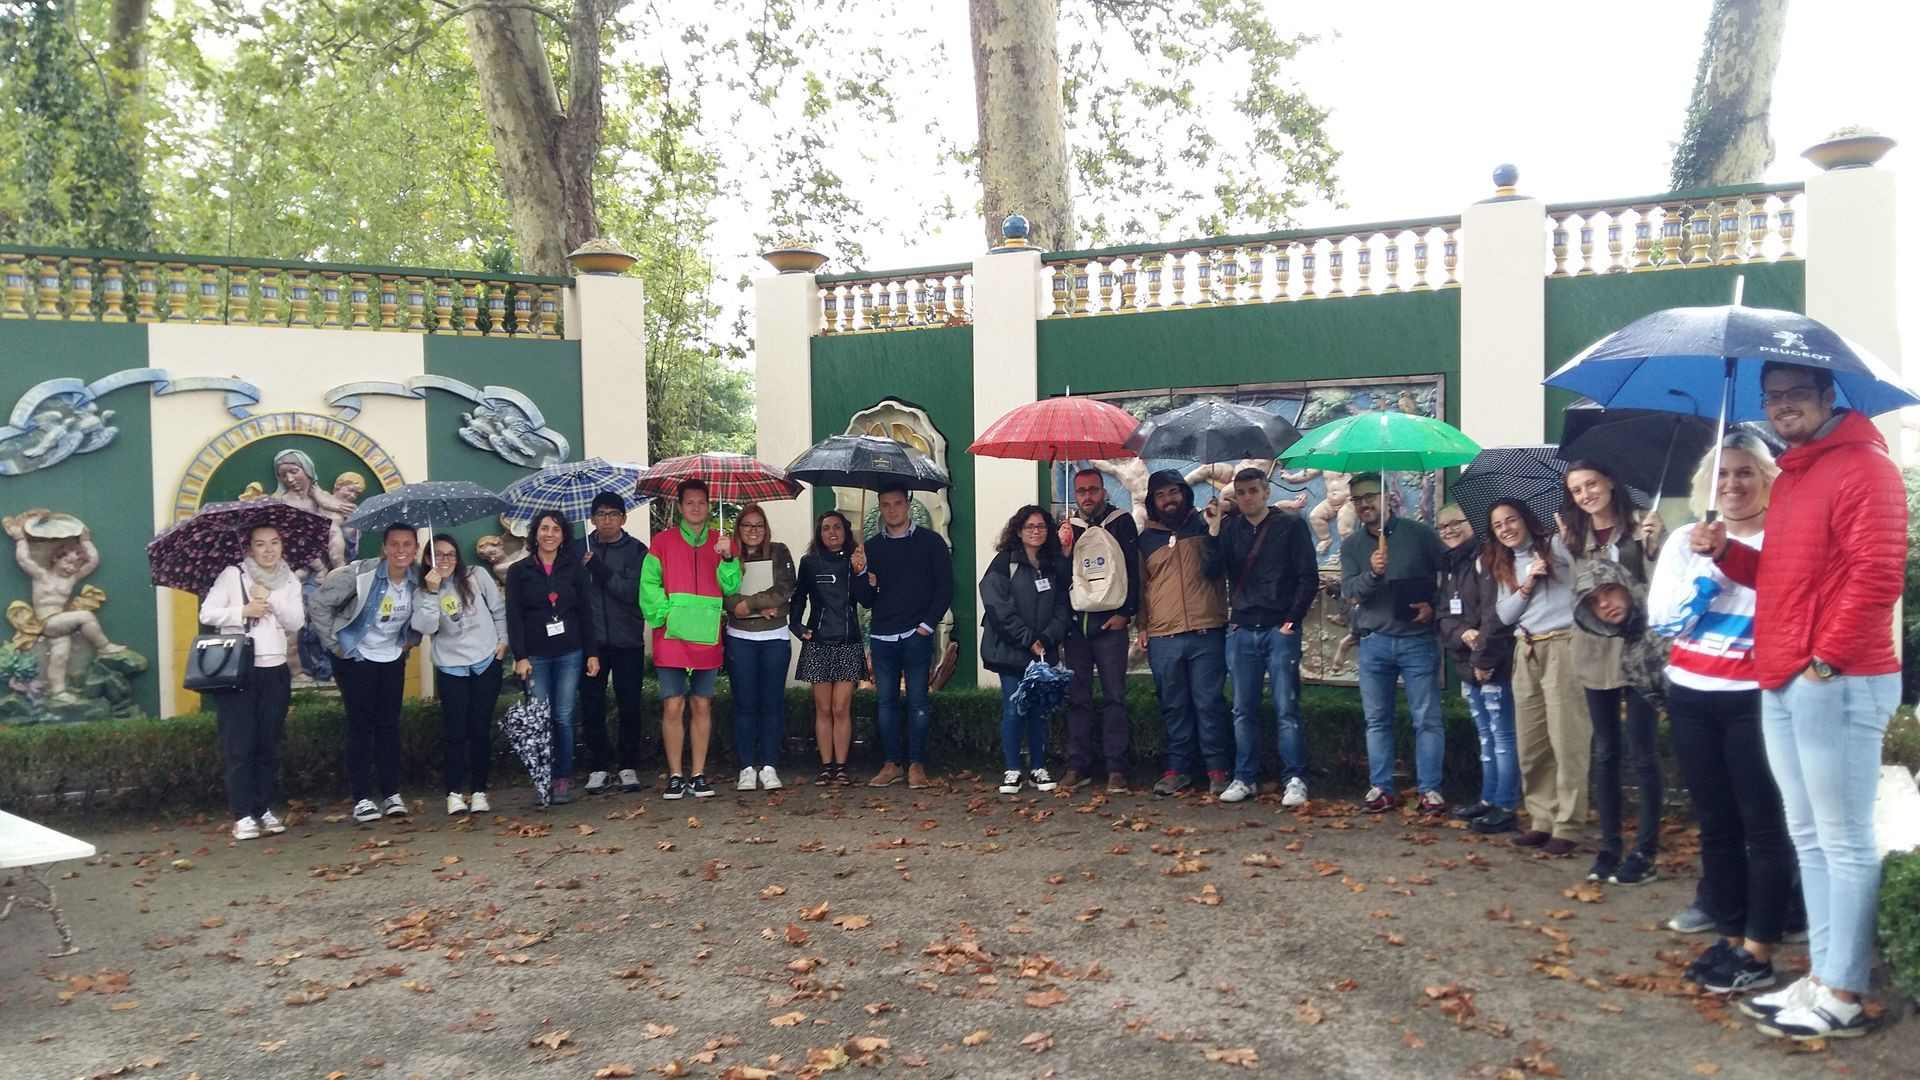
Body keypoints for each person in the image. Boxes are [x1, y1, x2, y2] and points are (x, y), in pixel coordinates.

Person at [1692, 362, 1905, 1040]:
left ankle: (1842, 991)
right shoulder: (1795, 475)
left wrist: (1825, 660)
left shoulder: (1865, 467)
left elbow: (1878, 574)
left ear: (1826, 396)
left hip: (1835, 679)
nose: (1783, 407)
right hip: (1784, 676)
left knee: (1843, 841)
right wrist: (1728, 554)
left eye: (1796, 395)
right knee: (1808, 836)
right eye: (1773, 397)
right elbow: (1781, 576)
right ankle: (1820, 974)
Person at [1641, 432, 1795, 997]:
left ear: (1766, 479)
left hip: (1755, 698)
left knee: (1764, 823)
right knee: (1717, 823)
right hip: (1691, 695)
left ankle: (1760, 948)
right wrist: (1703, 572)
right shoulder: (1685, 539)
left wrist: (1726, 559)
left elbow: (1786, 605)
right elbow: (1664, 622)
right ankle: (1730, 936)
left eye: (1745, 473)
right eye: (1722, 473)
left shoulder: (1784, 535)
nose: (1732, 484)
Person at [1560, 459, 1665, 886]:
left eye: (1592, 484)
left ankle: (1646, 850)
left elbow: (1665, 586)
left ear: (1610, 483)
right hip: (1593, 650)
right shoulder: (1572, 536)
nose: (1586, 495)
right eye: (1577, 490)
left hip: (1638, 651)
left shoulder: (1643, 525)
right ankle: (1609, 848)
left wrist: (1656, 548)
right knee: (1604, 751)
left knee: (1642, 752)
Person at [1201, 467, 1318, 805]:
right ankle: (1245, 777)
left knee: (1286, 706)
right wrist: (1213, 530)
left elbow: (1306, 577)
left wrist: (1291, 621)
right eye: (1241, 493)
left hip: (1278, 627)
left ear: (1266, 492)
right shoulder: (1232, 529)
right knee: (1243, 708)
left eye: (1253, 491)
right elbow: (1211, 571)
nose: (1247, 497)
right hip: (1241, 628)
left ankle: (1295, 777)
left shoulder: (1290, 525)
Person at [1340, 473, 1448, 814]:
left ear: (1388, 497)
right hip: (1374, 643)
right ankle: (1382, 787)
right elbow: (1351, 593)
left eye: (1370, 496)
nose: (1363, 504)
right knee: (1377, 720)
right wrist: (1372, 573)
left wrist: (1435, 606)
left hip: (1417, 642)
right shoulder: (1352, 546)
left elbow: (1452, 574)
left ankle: (1430, 790)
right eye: (1356, 499)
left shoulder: (1421, 535)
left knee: (1427, 719)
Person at [1487, 499, 1585, 856]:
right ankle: (1542, 819)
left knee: (1566, 739)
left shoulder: (1556, 546)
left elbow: (1586, 578)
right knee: (1532, 743)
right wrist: (1527, 583)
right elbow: (1505, 614)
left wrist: (1568, 550)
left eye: (1511, 520)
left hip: (1562, 645)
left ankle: (1569, 825)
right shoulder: (1505, 563)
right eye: (1498, 525)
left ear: (1526, 520)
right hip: (1525, 649)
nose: (1507, 529)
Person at [310, 523, 425, 823]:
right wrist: (335, 645)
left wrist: (409, 643)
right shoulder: (360, 575)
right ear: (384, 548)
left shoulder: (420, 580)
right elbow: (319, 604)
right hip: (354, 656)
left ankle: (391, 794)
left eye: (407, 545)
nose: (401, 551)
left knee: (388, 724)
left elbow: (424, 618)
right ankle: (361, 797)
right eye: (395, 544)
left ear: (415, 549)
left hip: (391, 656)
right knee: (361, 725)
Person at [199, 525, 303, 840]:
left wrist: (271, 598)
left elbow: (296, 621)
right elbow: (208, 613)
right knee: (240, 744)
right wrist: (243, 610)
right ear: (250, 548)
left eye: (274, 543)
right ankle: (241, 814)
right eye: (261, 544)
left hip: (275, 670)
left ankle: (263, 809)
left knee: (267, 744)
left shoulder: (290, 580)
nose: (269, 550)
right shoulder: (234, 574)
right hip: (240, 671)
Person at [640, 480, 741, 799]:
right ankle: (674, 775)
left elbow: (731, 585)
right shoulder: (662, 542)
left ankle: (697, 774)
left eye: (701, 502)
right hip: (671, 635)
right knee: (672, 705)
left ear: (709, 505)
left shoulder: (721, 542)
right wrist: (667, 613)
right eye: (690, 503)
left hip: (707, 635)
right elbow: (648, 585)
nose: (696, 508)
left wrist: (727, 558)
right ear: (680, 506)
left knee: (701, 703)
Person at [1135, 469, 1231, 797]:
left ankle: (1217, 768)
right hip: (1164, 636)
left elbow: (1219, 568)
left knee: (1209, 703)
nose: (1168, 499)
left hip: (1207, 629)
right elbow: (1142, 587)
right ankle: (1178, 768)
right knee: (1173, 705)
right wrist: (1143, 626)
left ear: (1184, 494)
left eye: (1173, 492)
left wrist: (1216, 530)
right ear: (1152, 501)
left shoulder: (1206, 525)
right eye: (1160, 495)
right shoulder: (1146, 539)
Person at [852, 485, 954, 789]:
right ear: (880, 508)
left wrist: (927, 624)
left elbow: (945, 587)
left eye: (897, 503)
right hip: (883, 635)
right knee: (885, 703)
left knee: (919, 701)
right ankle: (892, 763)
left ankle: (917, 765)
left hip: (916, 633)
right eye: (886, 505)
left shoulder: (931, 543)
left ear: (908, 505)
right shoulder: (871, 547)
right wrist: (859, 573)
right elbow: (866, 600)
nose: (892, 510)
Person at [505, 510, 600, 805]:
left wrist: (592, 653)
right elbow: (514, 617)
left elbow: (586, 613)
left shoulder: (574, 569)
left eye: (556, 529)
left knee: (563, 717)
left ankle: (561, 778)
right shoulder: (519, 571)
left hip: (570, 653)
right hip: (535, 656)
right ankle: (541, 778)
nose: (549, 534)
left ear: (563, 536)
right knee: (540, 720)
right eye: (544, 529)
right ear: (534, 534)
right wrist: (520, 656)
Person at [1435, 503, 1519, 833]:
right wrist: (1460, 633)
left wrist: (1484, 659)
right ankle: (1488, 799)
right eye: (1443, 527)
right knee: (1485, 736)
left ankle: (1506, 805)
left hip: (1492, 663)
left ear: (1473, 524)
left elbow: (1496, 615)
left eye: (1457, 522)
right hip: (1467, 662)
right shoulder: (1450, 565)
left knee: (1502, 736)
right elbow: (1443, 615)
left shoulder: (1488, 559)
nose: (1450, 530)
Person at [1055, 467, 1140, 794]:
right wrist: (1063, 551)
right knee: (1077, 698)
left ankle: (1117, 768)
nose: (1087, 496)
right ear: (1074, 495)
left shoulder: (1122, 521)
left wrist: (1126, 613)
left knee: (1115, 697)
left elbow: (1133, 568)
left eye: (1093, 490)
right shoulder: (1067, 528)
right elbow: (1061, 580)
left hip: (1111, 626)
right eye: (1081, 491)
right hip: (1077, 628)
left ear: (1103, 491)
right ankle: (1079, 766)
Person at [413, 534, 508, 817]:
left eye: (451, 554)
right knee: (455, 732)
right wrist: (431, 592)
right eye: (439, 555)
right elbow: (426, 627)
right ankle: (453, 793)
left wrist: (503, 641)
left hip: (484, 662)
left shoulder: (476, 575)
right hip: (451, 667)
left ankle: (479, 791)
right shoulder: (423, 589)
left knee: (480, 730)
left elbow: (499, 609)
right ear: (428, 559)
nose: (446, 560)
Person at [981, 505, 1071, 794]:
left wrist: (1046, 638)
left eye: (1042, 526)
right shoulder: (1003, 562)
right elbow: (997, 605)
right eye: (1030, 527)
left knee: (1038, 711)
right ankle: (1012, 769)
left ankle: (1038, 768)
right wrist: (1026, 638)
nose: (1036, 532)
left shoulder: (1053, 564)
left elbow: (1062, 606)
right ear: (1018, 531)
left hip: (1042, 652)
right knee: (1012, 708)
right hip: (1011, 651)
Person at [4, 521, 127, 703]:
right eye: (68, 562)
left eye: (75, 565)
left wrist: (86, 542)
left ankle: (58, 691)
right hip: (48, 622)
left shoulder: (71, 579)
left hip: (61, 624)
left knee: (60, 657)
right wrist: (20, 539)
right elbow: (24, 559)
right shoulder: (41, 576)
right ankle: (104, 647)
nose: (71, 568)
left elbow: (93, 562)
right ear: (56, 558)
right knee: (85, 616)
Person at [724, 503, 797, 791]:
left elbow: (786, 588)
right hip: (740, 638)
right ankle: (746, 767)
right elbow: (723, 592)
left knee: (771, 703)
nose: (753, 531)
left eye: (759, 525)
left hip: (774, 639)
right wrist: (752, 607)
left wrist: (751, 604)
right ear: (738, 529)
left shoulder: (779, 551)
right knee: (744, 704)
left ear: (765, 528)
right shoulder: (728, 555)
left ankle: (768, 765)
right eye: (747, 526)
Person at [579, 491, 649, 795]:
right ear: (592, 519)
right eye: (600, 514)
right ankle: (598, 767)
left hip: (627, 640)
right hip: (591, 643)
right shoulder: (578, 549)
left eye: (612, 514)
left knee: (629, 705)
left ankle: (628, 765)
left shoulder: (637, 550)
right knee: (592, 706)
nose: (606, 520)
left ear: (624, 517)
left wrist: (596, 567)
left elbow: (630, 592)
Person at [790, 509, 864, 785]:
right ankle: (826, 766)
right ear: (819, 534)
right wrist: (796, 626)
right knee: (823, 708)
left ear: (845, 531)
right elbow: (798, 597)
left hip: (848, 641)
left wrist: (861, 571)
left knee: (841, 707)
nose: (831, 532)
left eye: (837, 527)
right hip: (818, 642)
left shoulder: (856, 561)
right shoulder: (809, 563)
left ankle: (842, 767)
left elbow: (866, 600)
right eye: (825, 528)